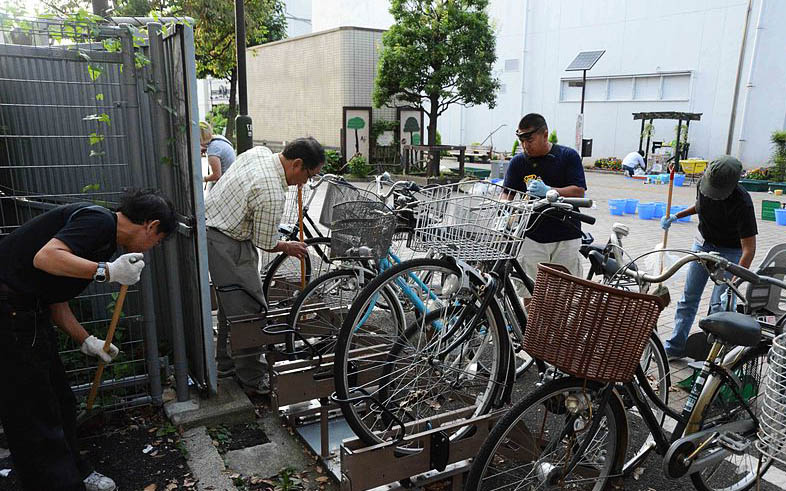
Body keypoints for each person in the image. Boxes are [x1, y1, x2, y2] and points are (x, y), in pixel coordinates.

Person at [0, 190, 177, 491]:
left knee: (60, 401)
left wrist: (86, 339)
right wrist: (107, 272)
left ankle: (73, 470)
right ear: (150, 225)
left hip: (28, 313)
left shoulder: (103, 237)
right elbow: (46, 258)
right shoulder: (98, 222)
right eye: (157, 241)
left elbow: (53, 295)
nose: (152, 248)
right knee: (34, 412)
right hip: (9, 314)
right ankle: (57, 483)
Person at [205, 137, 324, 395]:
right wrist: (289, 247)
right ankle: (253, 380)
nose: (305, 183)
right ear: (297, 164)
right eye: (308, 175)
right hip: (229, 242)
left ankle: (226, 367)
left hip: (215, 229)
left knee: (230, 307)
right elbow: (265, 241)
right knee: (250, 311)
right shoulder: (271, 191)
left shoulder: (258, 153)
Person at [660, 156, 757, 360]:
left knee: (718, 305)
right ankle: (675, 347)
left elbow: (748, 249)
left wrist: (734, 281)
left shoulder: (743, 203)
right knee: (688, 298)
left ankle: (712, 357)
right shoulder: (704, 184)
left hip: (729, 252)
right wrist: (676, 216)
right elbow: (700, 205)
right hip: (703, 244)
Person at [503, 113, 587, 296]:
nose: (525, 145)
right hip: (532, 236)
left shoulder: (567, 156)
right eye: (522, 141)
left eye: (530, 140)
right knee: (530, 291)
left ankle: (558, 326)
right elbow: (506, 194)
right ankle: (530, 325)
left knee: (564, 295)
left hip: (566, 234)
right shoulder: (518, 162)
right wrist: (503, 212)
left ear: (545, 135)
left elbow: (579, 190)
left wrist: (550, 190)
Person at [200, 121, 236, 187]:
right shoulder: (218, 138)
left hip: (226, 184)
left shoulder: (213, 149)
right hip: (233, 177)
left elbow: (216, 175)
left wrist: (202, 179)